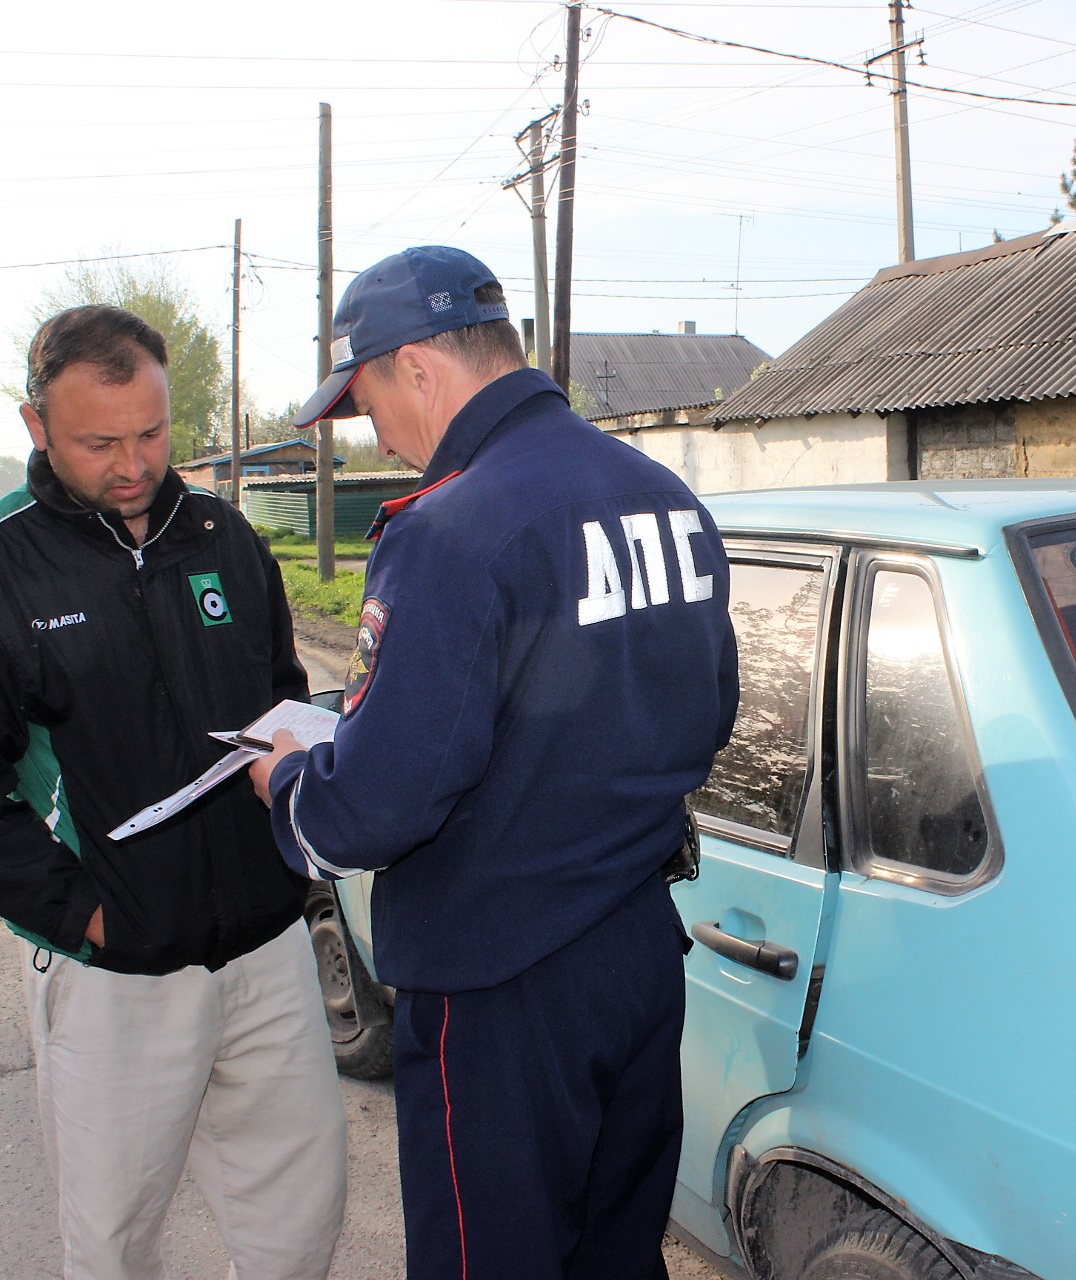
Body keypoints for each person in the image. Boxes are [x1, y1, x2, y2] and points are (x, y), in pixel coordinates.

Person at [248, 246, 738, 1280]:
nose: (373, 431)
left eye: (367, 399)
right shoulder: (663, 496)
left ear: (417, 368)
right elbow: (706, 712)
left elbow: (371, 809)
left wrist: (291, 773)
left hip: (503, 988)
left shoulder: (450, 529)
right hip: (639, 956)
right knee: (616, 1254)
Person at [0, 305, 347, 1280]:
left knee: (301, 1218)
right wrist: (86, 915)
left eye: (151, 432)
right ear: (36, 427)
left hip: (268, 949)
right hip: (115, 972)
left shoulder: (227, 538)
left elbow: (279, 694)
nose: (133, 462)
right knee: (114, 1243)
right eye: (99, 441)